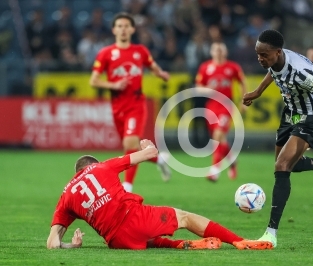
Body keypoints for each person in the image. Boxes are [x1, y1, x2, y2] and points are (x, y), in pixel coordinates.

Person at [46, 139, 273, 251]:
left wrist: (72, 246)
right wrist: (146, 145)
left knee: (150, 239)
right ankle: (239, 241)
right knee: (183, 216)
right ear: (93, 165)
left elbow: (52, 244)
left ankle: (181, 245)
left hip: (117, 242)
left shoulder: (66, 196)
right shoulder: (103, 167)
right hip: (133, 218)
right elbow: (152, 153)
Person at [242, 30, 313, 248]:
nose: (260, 59)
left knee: (282, 166)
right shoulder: (275, 59)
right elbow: (274, 71)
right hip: (291, 113)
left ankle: (270, 234)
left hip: (312, 117)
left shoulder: (300, 73)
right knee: (285, 166)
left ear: (278, 52)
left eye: (264, 55)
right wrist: (258, 91)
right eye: (258, 55)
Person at [89, 12, 171, 192]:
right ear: (113, 30)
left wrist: (161, 74)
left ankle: (127, 187)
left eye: (126, 26)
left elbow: (153, 66)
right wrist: (114, 84)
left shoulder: (140, 51)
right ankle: (160, 160)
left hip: (136, 104)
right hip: (117, 107)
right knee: (131, 148)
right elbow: (93, 80)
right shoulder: (106, 53)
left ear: (132, 29)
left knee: (129, 144)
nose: (123, 29)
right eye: (119, 26)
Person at [195, 42, 247, 181]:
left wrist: (245, 99)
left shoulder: (232, 67)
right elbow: (198, 86)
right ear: (211, 52)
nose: (218, 52)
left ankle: (215, 170)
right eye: (215, 50)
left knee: (218, 135)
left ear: (225, 52)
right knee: (220, 139)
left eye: (221, 50)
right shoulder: (205, 67)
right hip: (211, 105)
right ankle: (232, 160)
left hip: (226, 104)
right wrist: (206, 89)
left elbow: (242, 81)